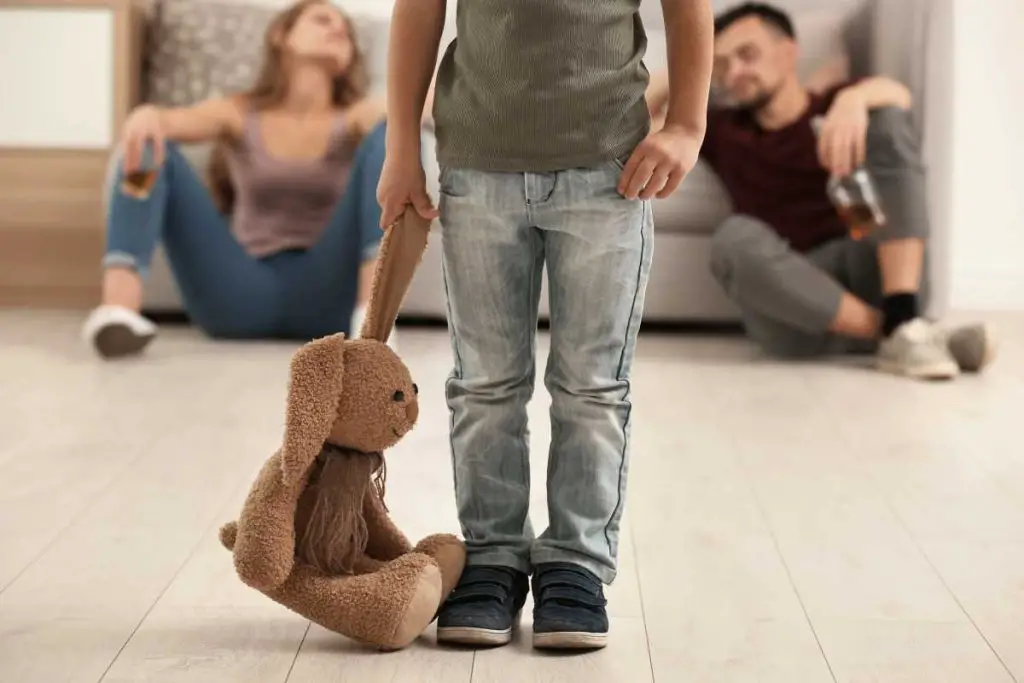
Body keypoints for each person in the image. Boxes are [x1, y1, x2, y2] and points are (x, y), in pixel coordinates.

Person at [379, 0, 713, 650]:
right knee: (484, 384)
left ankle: (576, 562)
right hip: (477, 171)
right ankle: (492, 555)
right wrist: (400, 149)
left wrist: (688, 124)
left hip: (611, 174)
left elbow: (689, 7)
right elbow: (417, 10)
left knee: (592, 386)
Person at [647, 2, 996, 379]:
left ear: (789, 52)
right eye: (724, 64)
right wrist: (691, 62)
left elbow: (897, 96)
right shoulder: (723, 130)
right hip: (795, 306)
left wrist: (855, 100)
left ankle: (902, 323)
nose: (737, 72)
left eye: (748, 55)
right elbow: (640, 118)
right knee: (733, 239)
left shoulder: (836, 104)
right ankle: (904, 331)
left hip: (864, 264)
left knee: (888, 121)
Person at [82, 0, 396, 359]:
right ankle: (119, 310)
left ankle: (374, 320)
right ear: (281, 35)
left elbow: (397, 114)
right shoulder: (239, 112)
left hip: (329, 299)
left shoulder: (354, 116)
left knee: (390, 135)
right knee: (147, 145)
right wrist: (147, 114)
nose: (338, 29)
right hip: (237, 295)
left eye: (346, 32)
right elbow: (173, 121)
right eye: (322, 19)